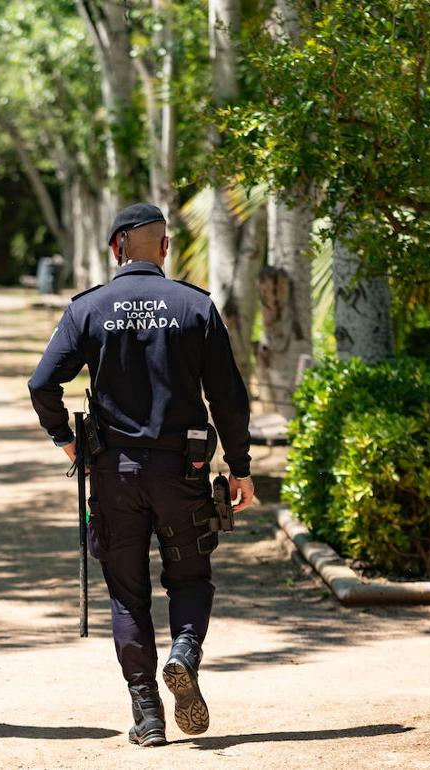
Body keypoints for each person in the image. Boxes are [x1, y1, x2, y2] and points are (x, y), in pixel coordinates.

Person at [28, 203, 256, 747]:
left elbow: (42, 384)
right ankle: (183, 653)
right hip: (184, 472)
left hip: (114, 476)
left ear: (116, 249)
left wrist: (67, 442)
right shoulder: (194, 306)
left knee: (127, 593)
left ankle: (148, 714)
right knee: (191, 577)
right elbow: (227, 396)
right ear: (164, 248)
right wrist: (241, 468)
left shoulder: (89, 308)